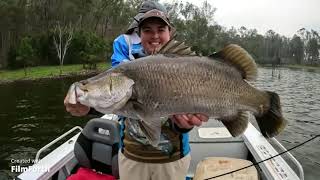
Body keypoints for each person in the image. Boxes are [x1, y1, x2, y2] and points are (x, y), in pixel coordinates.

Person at [64, 4, 209, 180]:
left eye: (161, 29)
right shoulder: (126, 68)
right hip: (131, 158)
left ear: (169, 32)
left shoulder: (186, 64)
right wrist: (87, 107)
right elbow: (117, 101)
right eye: (147, 30)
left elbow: (185, 121)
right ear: (140, 35)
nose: (155, 35)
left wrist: (184, 125)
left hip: (172, 160)